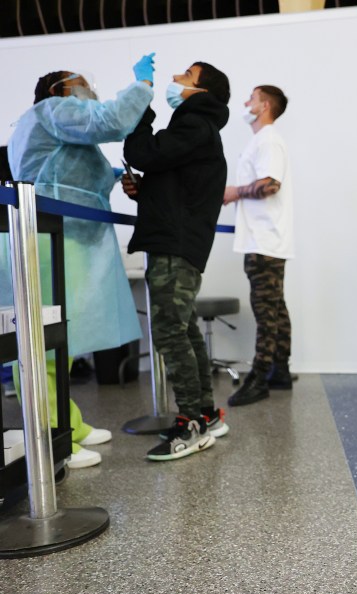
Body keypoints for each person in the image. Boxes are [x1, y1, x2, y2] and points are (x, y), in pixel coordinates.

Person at [3, 56, 156, 469]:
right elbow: (109, 119)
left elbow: (73, 173)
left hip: (66, 234)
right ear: (60, 90)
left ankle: (68, 423)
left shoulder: (47, 123)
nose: (90, 93)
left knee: (61, 340)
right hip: (48, 236)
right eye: (83, 86)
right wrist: (140, 86)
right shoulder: (52, 109)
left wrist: (110, 177)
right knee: (44, 342)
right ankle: (51, 437)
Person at [122, 61, 231, 461]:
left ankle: (191, 424)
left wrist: (141, 104)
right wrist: (144, 193)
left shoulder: (194, 126)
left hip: (175, 247)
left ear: (201, 92)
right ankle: (206, 414)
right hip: (180, 242)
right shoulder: (199, 131)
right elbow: (177, 187)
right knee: (182, 329)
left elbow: (144, 152)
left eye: (185, 76)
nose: (174, 80)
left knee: (169, 331)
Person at [223, 85, 294, 407]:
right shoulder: (263, 140)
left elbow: (270, 184)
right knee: (275, 308)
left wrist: (234, 192)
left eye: (251, 98)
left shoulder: (268, 140)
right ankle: (278, 370)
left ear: (264, 105)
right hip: (266, 239)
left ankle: (259, 378)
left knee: (266, 312)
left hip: (264, 241)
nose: (244, 103)